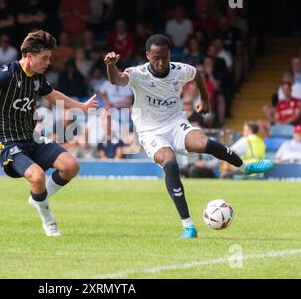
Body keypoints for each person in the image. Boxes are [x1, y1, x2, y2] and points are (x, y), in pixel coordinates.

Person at [104, 34, 275, 239]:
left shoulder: (180, 70)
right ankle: (188, 226)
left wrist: (205, 97)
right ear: (147, 55)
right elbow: (116, 79)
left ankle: (245, 167)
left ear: (170, 54)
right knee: (170, 162)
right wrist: (111, 66)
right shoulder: (137, 74)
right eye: (155, 58)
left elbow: (197, 75)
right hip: (150, 131)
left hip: (176, 122)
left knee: (204, 143)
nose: (161, 62)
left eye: (165, 57)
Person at [0, 30, 99, 237]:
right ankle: (48, 220)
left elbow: (53, 95)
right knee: (37, 176)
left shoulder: (38, 78)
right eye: (44, 58)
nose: (48, 62)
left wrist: (80, 107)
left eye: (49, 58)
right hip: (8, 142)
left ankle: (38, 198)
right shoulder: (6, 74)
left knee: (71, 166)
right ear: (29, 56)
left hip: (31, 138)